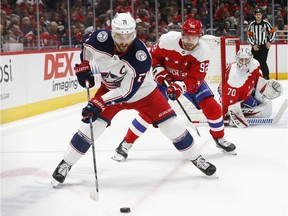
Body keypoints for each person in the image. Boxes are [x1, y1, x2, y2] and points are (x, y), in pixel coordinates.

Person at [52, 13, 217, 185]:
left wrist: (99, 102)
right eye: (119, 36)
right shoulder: (98, 38)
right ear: (112, 33)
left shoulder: (141, 56)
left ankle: (196, 158)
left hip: (143, 93)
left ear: (134, 34)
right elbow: (85, 44)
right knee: (90, 127)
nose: (124, 41)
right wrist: (84, 65)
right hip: (109, 90)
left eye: (128, 36)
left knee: (173, 126)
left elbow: (126, 92)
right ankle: (66, 163)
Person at [112, 19, 237, 162]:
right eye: (187, 37)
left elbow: (195, 78)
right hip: (166, 79)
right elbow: (153, 57)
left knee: (213, 107)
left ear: (200, 37)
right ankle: (126, 143)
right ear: (182, 35)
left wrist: (180, 87)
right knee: (148, 112)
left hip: (189, 82)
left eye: (194, 38)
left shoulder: (203, 51)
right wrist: (159, 72)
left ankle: (219, 138)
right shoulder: (167, 40)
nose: (190, 41)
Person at [220, 48, 282, 128]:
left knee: (263, 104)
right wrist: (228, 114)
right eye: (241, 59)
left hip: (244, 93)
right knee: (259, 109)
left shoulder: (255, 65)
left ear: (251, 59)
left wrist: (265, 86)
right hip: (232, 97)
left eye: (246, 59)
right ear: (237, 59)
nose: (244, 62)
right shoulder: (234, 75)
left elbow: (257, 80)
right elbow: (227, 99)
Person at [247, 8, 276, 80]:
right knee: (253, 62)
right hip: (255, 46)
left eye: (259, 14)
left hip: (264, 46)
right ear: (254, 15)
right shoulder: (252, 25)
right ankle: (254, 78)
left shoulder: (266, 24)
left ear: (262, 15)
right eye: (257, 15)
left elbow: (273, 32)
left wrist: (269, 41)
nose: (258, 16)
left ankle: (266, 77)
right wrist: (253, 44)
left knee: (262, 61)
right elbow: (249, 35)